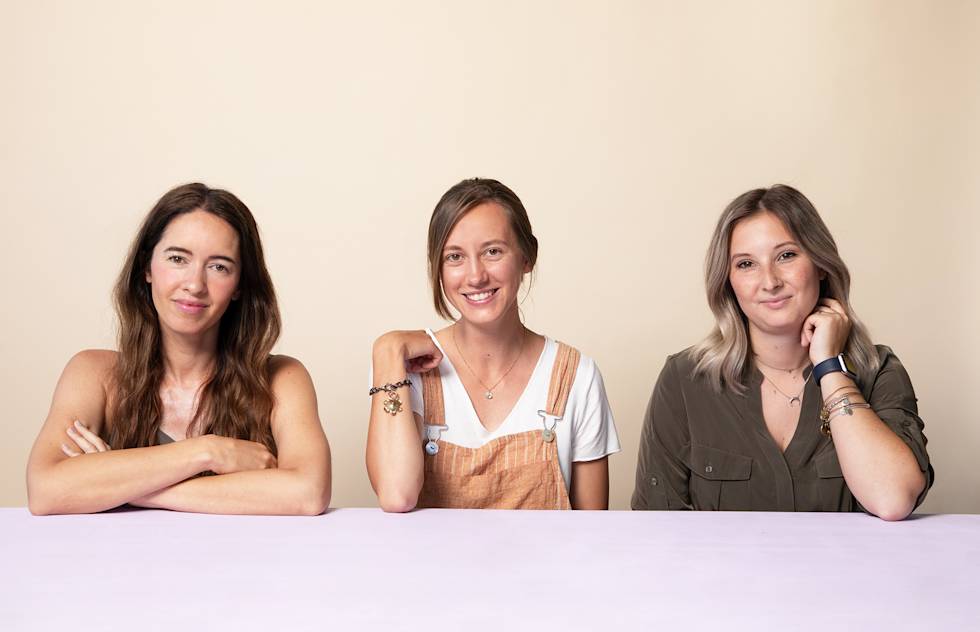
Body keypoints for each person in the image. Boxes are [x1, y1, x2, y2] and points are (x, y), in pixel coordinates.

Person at [26, 183, 331, 515]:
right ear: (146, 267)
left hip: (245, 565)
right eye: (177, 259)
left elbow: (308, 493)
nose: (195, 284)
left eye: (219, 266)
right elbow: (46, 491)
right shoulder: (93, 373)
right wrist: (208, 452)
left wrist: (120, 486)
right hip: (120, 567)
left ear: (239, 286)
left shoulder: (281, 378)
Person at [631, 184, 932, 520]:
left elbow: (892, 499)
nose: (770, 281)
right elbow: (654, 527)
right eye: (746, 264)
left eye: (786, 255)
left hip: (846, 574)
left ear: (820, 264)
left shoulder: (878, 371)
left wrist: (830, 368)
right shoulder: (685, 379)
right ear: (728, 281)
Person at [368, 178, 620, 511]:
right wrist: (386, 350)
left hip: (549, 565)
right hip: (432, 565)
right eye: (454, 257)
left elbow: (593, 533)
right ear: (438, 270)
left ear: (527, 257)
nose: (475, 276)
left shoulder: (577, 377)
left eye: (492, 251)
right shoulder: (404, 369)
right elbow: (397, 495)